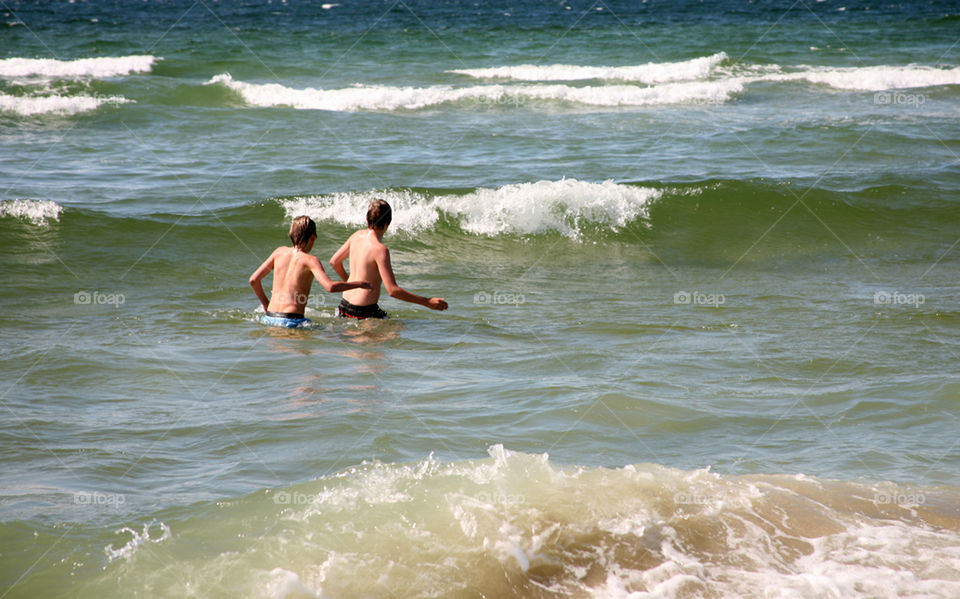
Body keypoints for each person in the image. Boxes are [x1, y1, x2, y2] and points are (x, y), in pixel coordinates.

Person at [330, 199, 448, 319]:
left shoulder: (356, 235)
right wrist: (427, 302)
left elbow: (334, 262)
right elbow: (393, 291)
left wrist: (351, 283)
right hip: (364, 312)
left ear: (367, 218)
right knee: (396, 334)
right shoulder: (380, 250)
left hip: (343, 306)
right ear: (388, 223)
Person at [250, 215, 371, 328]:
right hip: (292, 321)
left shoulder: (278, 252)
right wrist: (359, 284)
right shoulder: (311, 260)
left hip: (269, 318)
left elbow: (254, 280)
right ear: (313, 237)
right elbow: (330, 287)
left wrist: (266, 304)